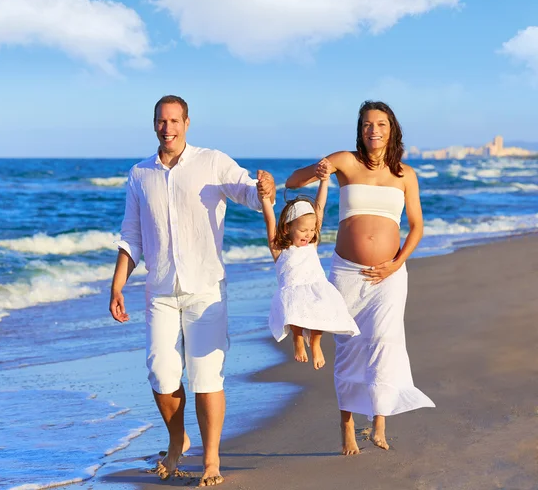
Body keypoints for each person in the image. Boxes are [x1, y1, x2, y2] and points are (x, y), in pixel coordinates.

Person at [109, 95, 275, 487]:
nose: (167, 129)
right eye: (161, 122)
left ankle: (212, 459)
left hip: (205, 289)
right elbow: (131, 236)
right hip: (160, 289)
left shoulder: (212, 162)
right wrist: (118, 285)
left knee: (206, 375)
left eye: (174, 121)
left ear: (187, 122)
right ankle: (176, 439)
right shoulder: (140, 174)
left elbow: (250, 194)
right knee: (162, 372)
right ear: (153, 125)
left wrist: (264, 187)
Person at [286, 100, 435, 456]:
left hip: (389, 274)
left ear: (391, 129)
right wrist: (318, 170)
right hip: (346, 271)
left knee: (384, 342)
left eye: (381, 124)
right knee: (350, 346)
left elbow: (416, 228)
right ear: (360, 129)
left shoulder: (405, 175)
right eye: (367, 124)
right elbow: (293, 183)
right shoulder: (346, 161)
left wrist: (397, 263)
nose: (374, 130)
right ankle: (348, 424)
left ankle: (379, 421)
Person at [260, 165, 359, 369]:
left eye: (312, 230)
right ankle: (297, 339)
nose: (309, 234)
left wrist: (324, 181)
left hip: (316, 286)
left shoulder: (312, 244)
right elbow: (270, 220)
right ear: (288, 228)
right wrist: (264, 199)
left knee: (321, 309)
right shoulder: (279, 249)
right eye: (303, 230)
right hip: (293, 290)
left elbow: (319, 208)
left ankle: (315, 343)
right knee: (294, 306)